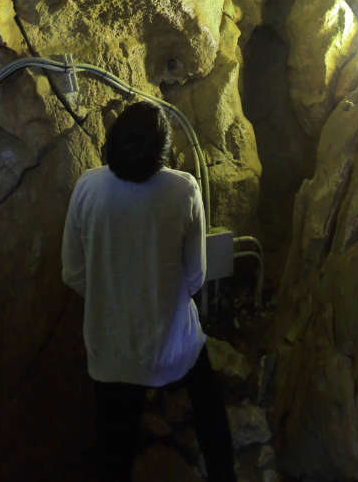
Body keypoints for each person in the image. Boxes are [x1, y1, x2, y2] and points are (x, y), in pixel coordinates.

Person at [61, 101, 237, 482]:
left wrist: (116, 295)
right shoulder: (183, 189)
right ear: (163, 153)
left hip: (110, 353)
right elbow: (195, 276)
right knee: (209, 410)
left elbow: (72, 273)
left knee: (115, 447)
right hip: (171, 346)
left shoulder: (87, 187)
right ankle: (224, 473)